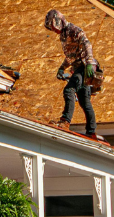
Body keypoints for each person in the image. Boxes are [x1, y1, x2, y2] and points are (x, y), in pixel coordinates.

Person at [43, 9, 101, 137]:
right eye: (51, 28)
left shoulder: (74, 30)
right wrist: (62, 68)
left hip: (84, 67)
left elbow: (87, 44)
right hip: (77, 67)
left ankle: (65, 121)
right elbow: (70, 56)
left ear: (59, 21)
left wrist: (90, 63)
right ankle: (91, 132)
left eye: (53, 26)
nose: (54, 30)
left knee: (69, 90)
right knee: (84, 100)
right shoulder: (63, 36)